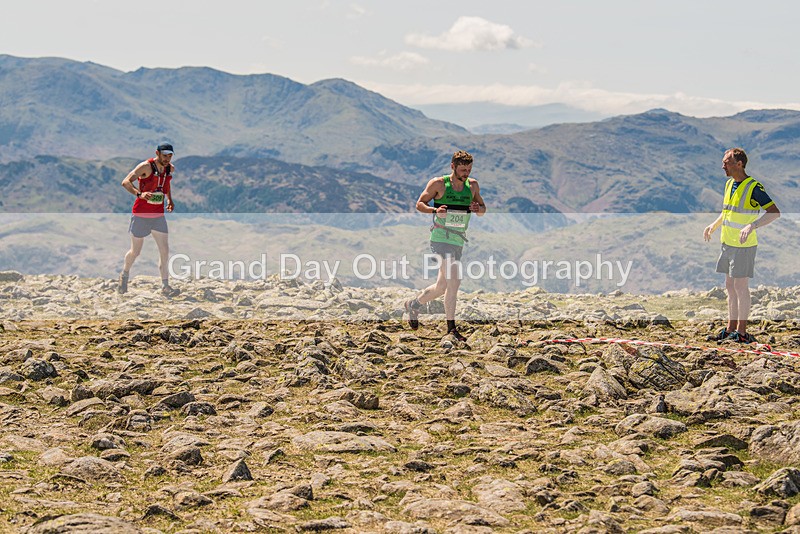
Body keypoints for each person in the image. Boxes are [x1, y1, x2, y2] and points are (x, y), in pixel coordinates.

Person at [404, 150, 486, 341]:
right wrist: (434, 210)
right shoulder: (439, 184)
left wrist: (477, 208)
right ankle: (451, 329)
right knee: (455, 281)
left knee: (442, 287)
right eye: (462, 169)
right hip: (440, 239)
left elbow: (482, 210)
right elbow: (419, 204)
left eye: (469, 169)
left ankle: (414, 304)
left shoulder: (472, 186)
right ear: (453, 167)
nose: (466, 173)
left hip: (458, 240)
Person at [703, 147, 780, 343]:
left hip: (744, 245)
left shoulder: (753, 187)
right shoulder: (729, 185)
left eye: (726, 162)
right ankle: (730, 329)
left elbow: (774, 212)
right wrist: (713, 225)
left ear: (739, 164)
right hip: (727, 243)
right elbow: (726, 212)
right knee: (730, 286)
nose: (723, 166)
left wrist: (752, 226)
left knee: (740, 286)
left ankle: (742, 333)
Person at [118, 143, 180, 297]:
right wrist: (140, 194)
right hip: (140, 215)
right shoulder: (145, 167)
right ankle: (124, 275)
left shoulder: (169, 169)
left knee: (164, 251)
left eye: (170, 155)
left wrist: (169, 200)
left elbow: (166, 186)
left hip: (158, 216)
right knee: (135, 252)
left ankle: (165, 286)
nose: (167, 158)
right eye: (164, 155)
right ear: (157, 153)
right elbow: (125, 182)